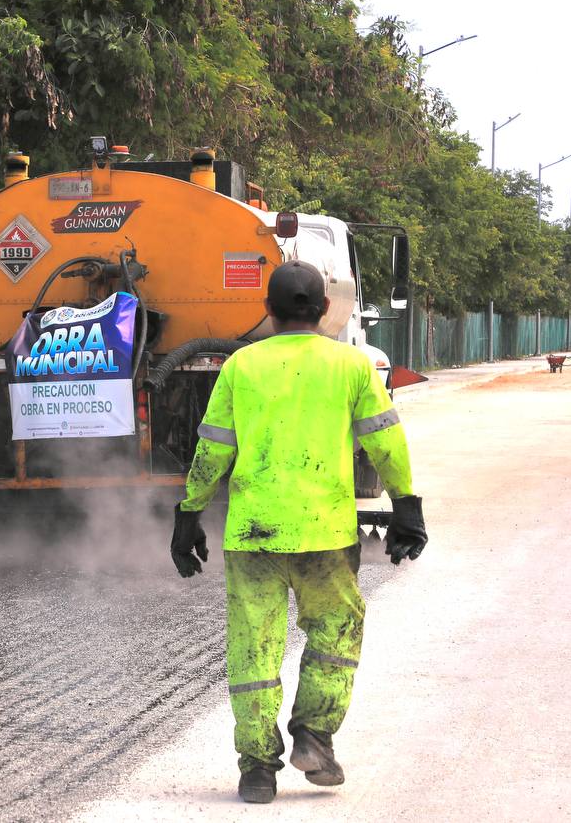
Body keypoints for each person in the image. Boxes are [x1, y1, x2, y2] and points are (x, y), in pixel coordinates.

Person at [170, 260, 428, 804]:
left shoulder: (241, 366)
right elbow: (384, 441)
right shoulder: (351, 365)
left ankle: (257, 770)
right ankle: (313, 734)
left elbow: (213, 446)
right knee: (336, 636)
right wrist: (406, 503)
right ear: (326, 310)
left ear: (268, 309)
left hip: (253, 536)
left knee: (254, 650)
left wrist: (188, 513)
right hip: (326, 535)